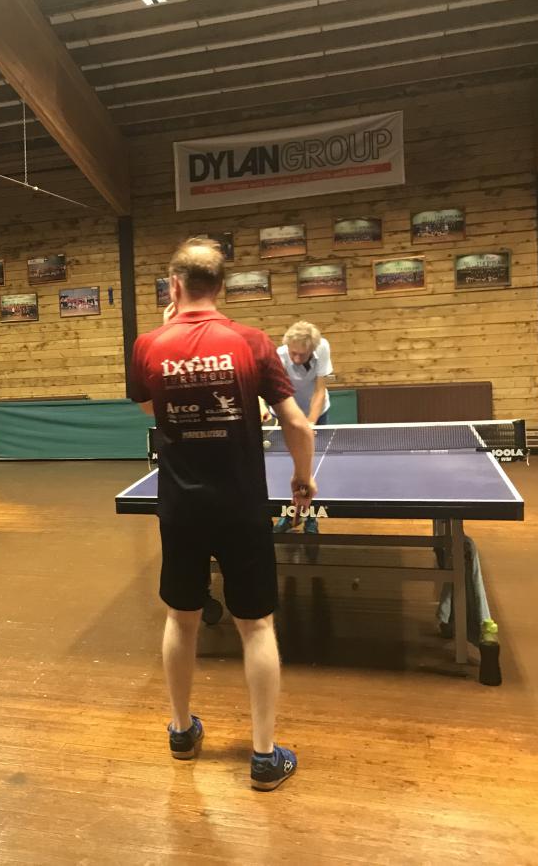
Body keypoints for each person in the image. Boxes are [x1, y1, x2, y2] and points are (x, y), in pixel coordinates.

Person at [127, 238, 316, 792]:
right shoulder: (252, 342)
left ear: (174, 285)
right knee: (256, 626)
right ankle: (264, 757)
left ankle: (182, 733)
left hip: (180, 506)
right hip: (241, 504)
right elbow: (297, 424)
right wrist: (303, 478)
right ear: (223, 286)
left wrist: (170, 341)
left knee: (180, 618)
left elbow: (149, 406)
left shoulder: (147, 345)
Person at [273, 321, 332, 534]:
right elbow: (280, 394)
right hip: (288, 412)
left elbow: (319, 390)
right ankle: (290, 515)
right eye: (293, 354)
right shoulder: (278, 356)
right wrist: (295, 423)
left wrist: (310, 423)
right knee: (290, 466)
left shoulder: (322, 347)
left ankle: (310, 518)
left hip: (316, 413)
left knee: (312, 468)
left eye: (303, 355)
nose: (297, 359)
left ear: (312, 349)